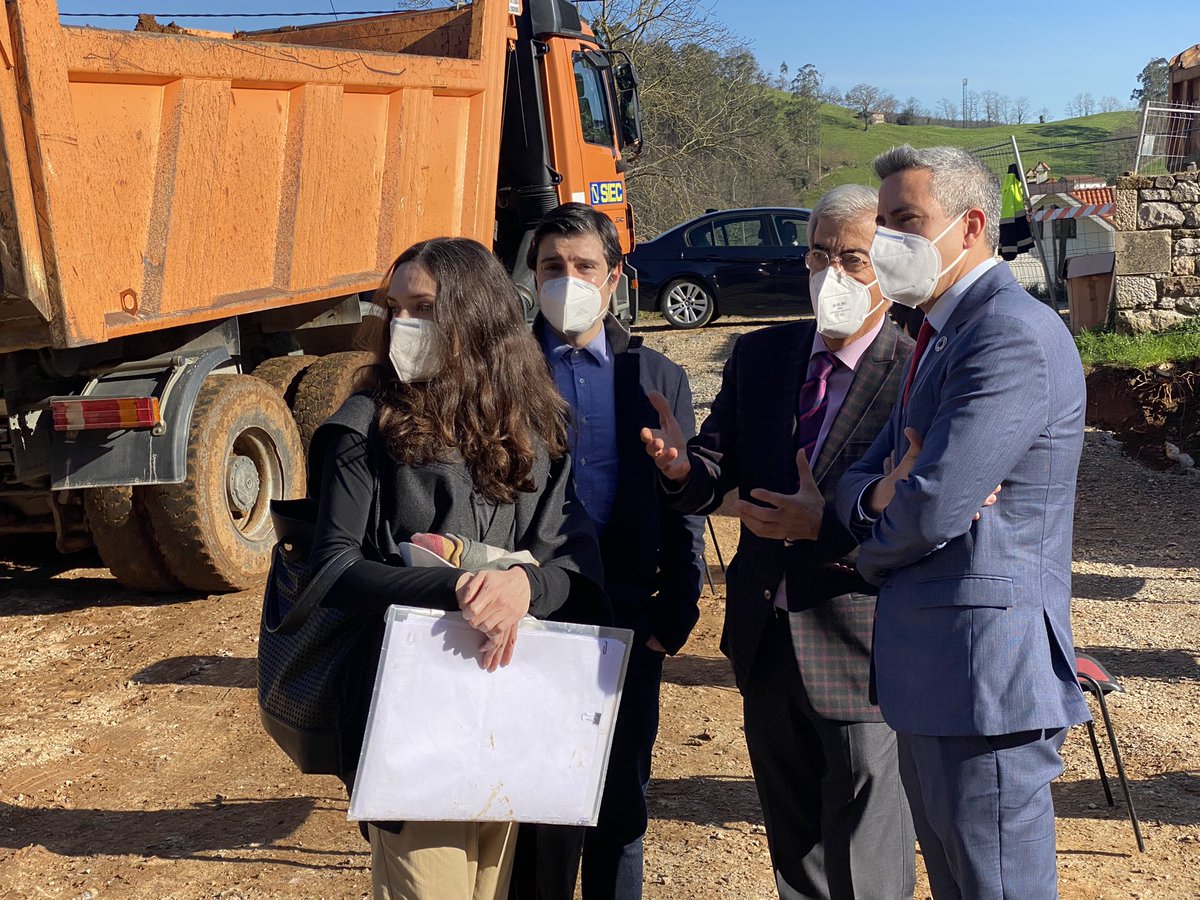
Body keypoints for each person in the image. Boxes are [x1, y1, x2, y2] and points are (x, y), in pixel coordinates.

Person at [307, 236, 609, 900]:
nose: (405, 326)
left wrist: (523, 586)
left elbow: (578, 570)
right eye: (396, 310)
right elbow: (332, 568)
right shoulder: (365, 428)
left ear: (477, 319)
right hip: (409, 719)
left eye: (424, 309)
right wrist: (465, 588)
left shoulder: (533, 432)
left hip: (511, 711)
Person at [642, 183, 917, 899]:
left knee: (868, 853)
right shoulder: (760, 356)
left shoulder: (920, 367)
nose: (833, 274)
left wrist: (824, 524)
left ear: (888, 267)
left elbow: (931, 516)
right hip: (765, 640)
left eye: (853, 259)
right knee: (795, 852)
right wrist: (680, 470)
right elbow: (715, 466)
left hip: (866, 650)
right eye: (819, 255)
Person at [835, 145, 1091, 900]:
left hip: (986, 677)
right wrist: (884, 494)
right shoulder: (937, 333)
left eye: (906, 220)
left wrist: (877, 538)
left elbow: (936, 503)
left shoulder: (1007, 333)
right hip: (937, 670)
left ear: (972, 224)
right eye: (882, 223)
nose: (886, 243)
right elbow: (868, 475)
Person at [514, 202, 705, 900]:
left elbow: (681, 502)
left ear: (615, 275)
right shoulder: (503, 372)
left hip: (629, 615)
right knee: (534, 803)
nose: (568, 280)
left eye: (583, 266)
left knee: (620, 803)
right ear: (532, 278)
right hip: (529, 615)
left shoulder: (658, 379)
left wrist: (677, 608)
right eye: (551, 268)